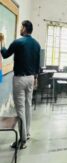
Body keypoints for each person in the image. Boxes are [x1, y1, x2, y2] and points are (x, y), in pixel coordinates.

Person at [0, 20, 41, 149]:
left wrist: (2, 42)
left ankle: (22, 140)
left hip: (19, 79)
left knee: (20, 109)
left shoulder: (18, 42)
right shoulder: (37, 44)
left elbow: (5, 54)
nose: (20, 29)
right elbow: (37, 64)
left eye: (21, 27)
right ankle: (27, 133)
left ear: (24, 28)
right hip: (31, 78)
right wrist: (35, 78)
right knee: (28, 105)